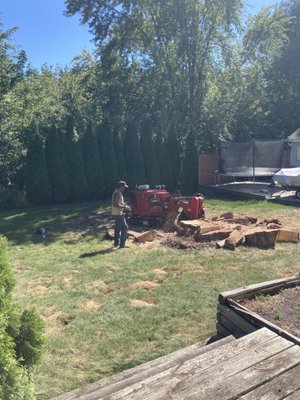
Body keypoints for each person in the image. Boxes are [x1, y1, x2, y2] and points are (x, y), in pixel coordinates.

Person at [112, 181, 130, 248]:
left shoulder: (118, 192)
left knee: (117, 228)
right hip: (118, 213)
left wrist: (124, 204)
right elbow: (115, 204)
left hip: (117, 213)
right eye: (124, 187)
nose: (124, 188)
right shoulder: (117, 193)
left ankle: (116, 243)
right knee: (125, 227)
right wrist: (124, 207)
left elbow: (118, 203)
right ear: (121, 187)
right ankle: (122, 244)